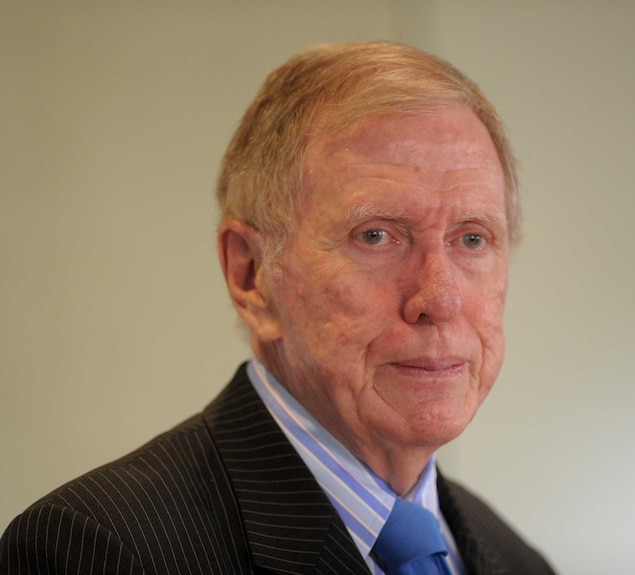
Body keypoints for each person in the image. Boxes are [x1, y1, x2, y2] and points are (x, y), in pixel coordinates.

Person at [0, 41, 555, 574]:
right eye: (376, 235)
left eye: (473, 239)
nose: (439, 298)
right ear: (251, 275)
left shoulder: (519, 560)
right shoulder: (97, 549)